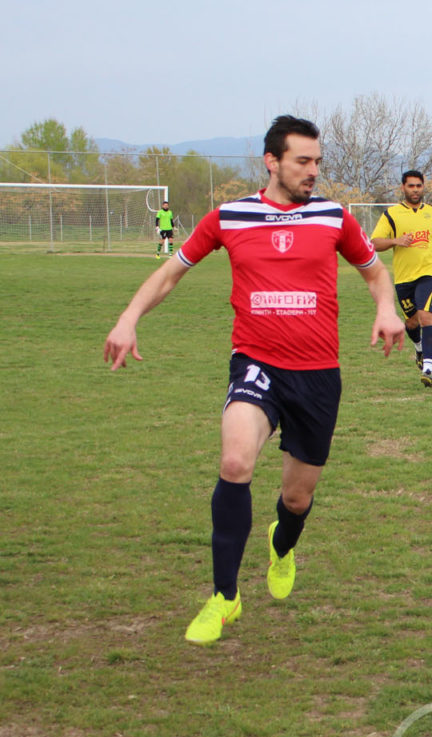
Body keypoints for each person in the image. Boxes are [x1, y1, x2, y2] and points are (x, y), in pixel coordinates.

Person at [103, 115, 407, 645]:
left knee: (295, 500)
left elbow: (375, 272)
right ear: (272, 162)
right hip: (256, 363)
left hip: (316, 375)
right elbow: (172, 271)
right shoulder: (229, 217)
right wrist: (129, 319)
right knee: (236, 461)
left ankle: (282, 544)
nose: (313, 171)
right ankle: (225, 597)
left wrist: (386, 309)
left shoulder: (335, 218)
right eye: (302, 162)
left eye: (317, 162)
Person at [370, 170, 432, 387]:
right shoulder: (392, 214)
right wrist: (395, 241)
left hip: (429, 273)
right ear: (403, 188)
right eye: (411, 186)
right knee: (411, 322)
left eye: (419, 186)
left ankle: (428, 367)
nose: (415, 190)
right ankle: (419, 348)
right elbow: (374, 242)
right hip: (403, 278)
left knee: (426, 316)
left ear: (423, 187)